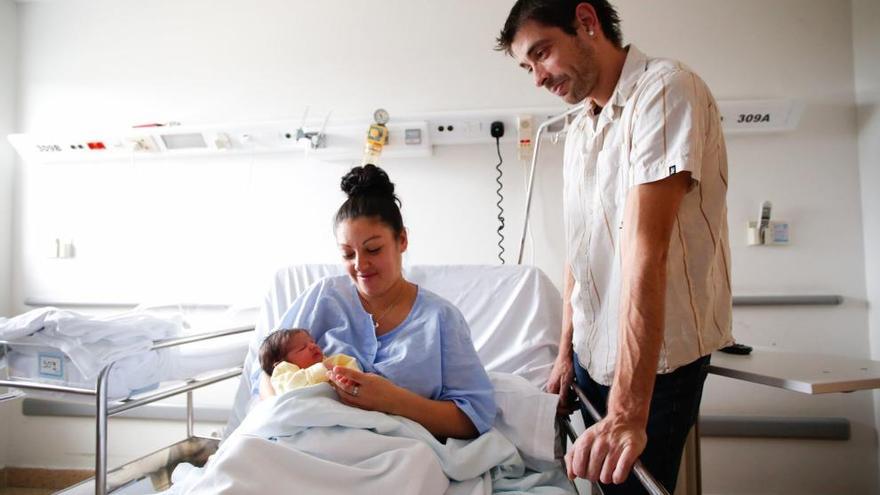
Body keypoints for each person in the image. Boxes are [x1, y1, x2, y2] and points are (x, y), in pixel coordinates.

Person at [496, 1, 733, 493]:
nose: (537, 78)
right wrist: (565, 354)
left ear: (587, 22)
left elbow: (648, 253)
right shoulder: (580, 126)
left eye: (542, 53)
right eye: (526, 67)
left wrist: (627, 411)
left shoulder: (665, 90)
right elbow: (578, 254)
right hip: (591, 355)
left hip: (658, 363)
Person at [253, 164, 496, 440]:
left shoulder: (440, 319)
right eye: (347, 254)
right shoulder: (322, 298)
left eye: (373, 249)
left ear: (401, 239)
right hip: (304, 443)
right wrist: (282, 418)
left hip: (396, 453)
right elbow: (265, 372)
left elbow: (475, 416)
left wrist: (393, 400)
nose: (360, 265)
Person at [257, 328, 360, 397]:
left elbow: (352, 368)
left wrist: (350, 379)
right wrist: (321, 370)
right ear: (280, 363)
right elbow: (290, 388)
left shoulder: (330, 361)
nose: (313, 346)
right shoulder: (283, 371)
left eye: (312, 342)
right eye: (302, 348)